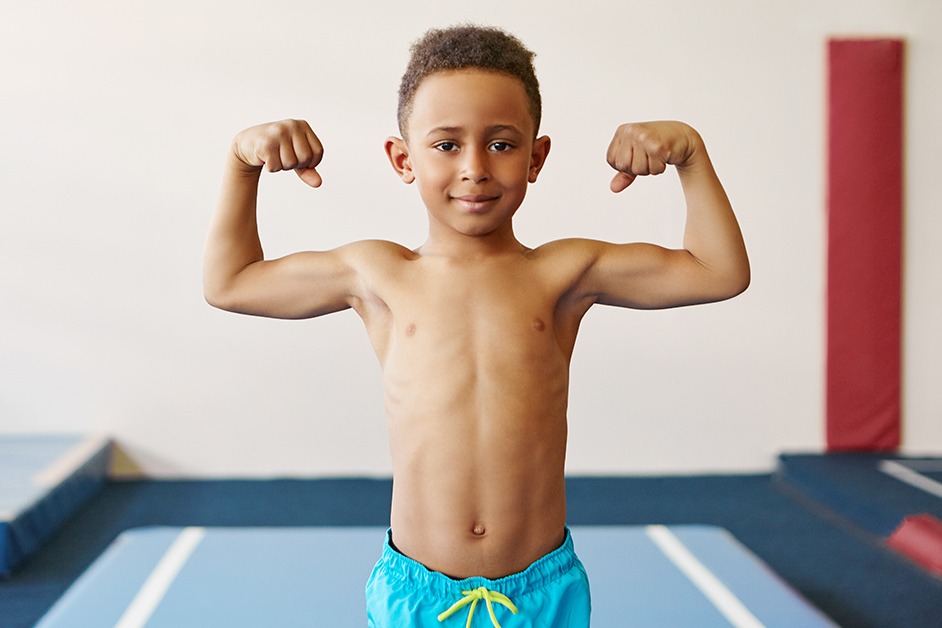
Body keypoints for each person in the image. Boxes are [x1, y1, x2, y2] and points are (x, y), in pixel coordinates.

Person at [203, 24, 748, 628]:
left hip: (541, 592)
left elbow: (717, 272)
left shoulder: (564, 272)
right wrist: (240, 163)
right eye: (445, 145)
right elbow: (231, 283)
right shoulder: (379, 273)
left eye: (502, 144)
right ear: (402, 158)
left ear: (536, 157)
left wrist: (691, 156)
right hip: (419, 594)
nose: (474, 168)